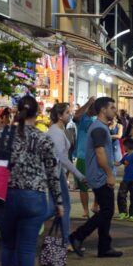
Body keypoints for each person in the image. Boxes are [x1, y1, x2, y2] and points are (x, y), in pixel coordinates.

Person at [0, 96, 63, 266]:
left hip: (4, 196)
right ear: (37, 113)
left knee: (8, 245)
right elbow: (53, 173)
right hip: (34, 198)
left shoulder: (2, 135)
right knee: (27, 247)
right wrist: (58, 201)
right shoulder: (43, 139)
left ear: (17, 111)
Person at [69, 97, 122, 258]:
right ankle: (78, 236)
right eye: (112, 107)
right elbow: (100, 153)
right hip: (100, 176)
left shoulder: (101, 127)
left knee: (106, 211)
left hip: (100, 175)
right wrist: (109, 175)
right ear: (103, 110)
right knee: (106, 211)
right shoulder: (98, 128)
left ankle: (104, 247)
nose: (115, 110)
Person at [46, 103, 86, 249]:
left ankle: (66, 240)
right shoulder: (55, 133)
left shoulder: (60, 130)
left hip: (58, 173)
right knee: (54, 208)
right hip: (55, 174)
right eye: (67, 112)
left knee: (63, 206)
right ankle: (29, 223)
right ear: (59, 116)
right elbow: (62, 158)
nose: (70, 114)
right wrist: (79, 174)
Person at [73, 97, 97, 218]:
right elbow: (76, 115)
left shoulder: (97, 119)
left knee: (98, 183)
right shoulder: (83, 118)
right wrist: (88, 102)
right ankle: (85, 210)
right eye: (93, 107)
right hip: (82, 156)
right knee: (83, 185)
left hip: (96, 155)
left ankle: (95, 206)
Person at [117, 138, 133, 222]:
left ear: (127, 146)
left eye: (124, 146)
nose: (123, 147)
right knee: (121, 195)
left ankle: (132, 214)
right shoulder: (126, 156)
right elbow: (119, 163)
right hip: (126, 180)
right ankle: (123, 212)